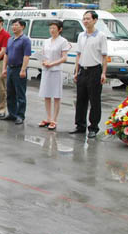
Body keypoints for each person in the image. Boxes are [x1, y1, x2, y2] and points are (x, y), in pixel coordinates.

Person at [69, 10, 108, 139]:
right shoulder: (81, 35)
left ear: (95, 20)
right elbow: (78, 54)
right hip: (82, 71)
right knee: (80, 100)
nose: (85, 21)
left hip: (95, 71)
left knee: (94, 100)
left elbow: (104, 56)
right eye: (84, 19)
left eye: (88, 19)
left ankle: (93, 127)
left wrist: (103, 73)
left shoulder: (101, 36)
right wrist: (76, 70)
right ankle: (80, 125)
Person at [38, 20, 71, 131]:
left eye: (54, 28)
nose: (51, 30)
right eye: (50, 28)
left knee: (56, 96)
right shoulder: (46, 41)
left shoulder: (63, 41)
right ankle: (48, 118)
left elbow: (64, 57)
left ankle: (54, 120)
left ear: (60, 29)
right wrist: (43, 61)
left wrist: (52, 63)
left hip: (56, 70)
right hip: (46, 70)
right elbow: (43, 54)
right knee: (46, 95)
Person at [1, 18, 31, 125]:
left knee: (20, 94)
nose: (14, 27)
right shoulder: (10, 39)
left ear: (22, 27)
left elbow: (26, 56)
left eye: (16, 25)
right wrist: (4, 68)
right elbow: (6, 54)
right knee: (10, 93)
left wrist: (23, 70)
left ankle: (20, 115)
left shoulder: (25, 40)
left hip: (19, 69)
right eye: (13, 25)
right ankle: (12, 114)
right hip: (10, 68)